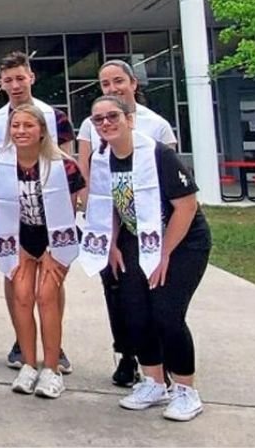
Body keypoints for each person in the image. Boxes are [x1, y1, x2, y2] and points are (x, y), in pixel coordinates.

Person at [84, 95, 210, 422]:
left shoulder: (158, 155)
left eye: (113, 116)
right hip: (133, 240)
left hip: (182, 242)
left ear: (129, 119)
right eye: (98, 120)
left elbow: (187, 206)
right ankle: (154, 382)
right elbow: (105, 204)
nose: (106, 123)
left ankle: (186, 390)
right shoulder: (103, 158)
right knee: (135, 313)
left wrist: (166, 252)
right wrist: (111, 244)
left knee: (166, 313)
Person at [76, 60, 179, 388]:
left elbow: (171, 182)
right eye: (105, 84)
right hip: (111, 220)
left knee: (156, 293)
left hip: (152, 225)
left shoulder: (157, 125)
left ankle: (163, 360)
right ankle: (127, 355)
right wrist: (101, 227)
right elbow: (88, 171)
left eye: (118, 81)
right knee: (117, 290)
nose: (112, 88)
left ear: (133, 83)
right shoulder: (91, 124)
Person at [0, 51, 77, 373]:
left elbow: (69, 161)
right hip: (13, 212)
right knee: (13, 275)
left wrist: (74, 206)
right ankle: (22, 342)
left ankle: (55, 344)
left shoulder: (54, 117)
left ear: (31, 78)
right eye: (8, 79)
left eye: (20, 78)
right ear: (0, 83)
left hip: (51, 210)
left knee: (51, 282)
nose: (15, 84)